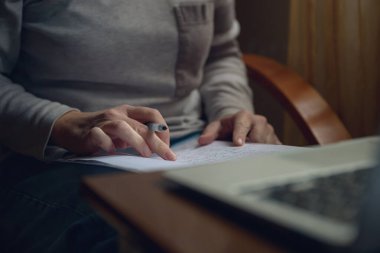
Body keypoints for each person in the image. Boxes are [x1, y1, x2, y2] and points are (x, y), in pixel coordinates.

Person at [0, 0, 280, 252]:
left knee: (288, 216)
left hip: (199, 143)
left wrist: (230, 112)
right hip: (56, 157)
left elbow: (220, 53)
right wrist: (63, 123)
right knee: (146, 235)